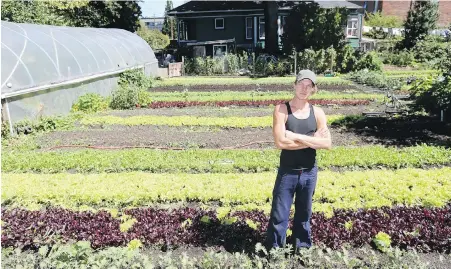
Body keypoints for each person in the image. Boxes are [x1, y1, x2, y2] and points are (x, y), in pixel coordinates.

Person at [265, 69, 332, 253]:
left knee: (304, 214)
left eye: (308, 85)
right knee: (280, 215)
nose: (304, 88)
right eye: (301, 84)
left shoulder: (317, 112)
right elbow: (280, 142)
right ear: (294, 85)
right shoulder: (281, 110)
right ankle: (276, 251)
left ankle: (302, 249)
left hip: (309, 172)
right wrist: (312, 140)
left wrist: (295, 136)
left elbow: (326, 143)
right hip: (288, 172)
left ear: (313, 89)